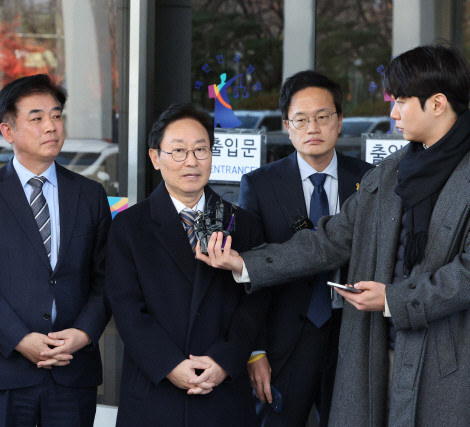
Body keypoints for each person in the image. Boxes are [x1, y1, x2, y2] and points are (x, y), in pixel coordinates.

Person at [198, 44, 470, 426]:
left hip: (448, 360)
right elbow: (330, 239)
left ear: (437, 103)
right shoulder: (393, 171)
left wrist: (393, 299)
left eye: (401, 101)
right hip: (380, 349)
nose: (392, 114)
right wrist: (246, 263)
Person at [0, 74, 111, 426]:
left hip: (72, 369)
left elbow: (105, 278)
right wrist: (20, 339)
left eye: (56, 116)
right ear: (8, 131)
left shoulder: (89, 195)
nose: (51, 126)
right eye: (36, 118)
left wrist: (84, 334)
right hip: (4, 370)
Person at [106, 103, 264, 427]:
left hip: (223, 391)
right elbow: (126, 307)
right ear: (155, 157)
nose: (191, 161)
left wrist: (224, 360)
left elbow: (256, 304)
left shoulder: (241, 223)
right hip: (155, 390)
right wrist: (168, 365)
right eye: (178, 151)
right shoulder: (130, 226)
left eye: (200, 150)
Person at [237, 70, 372, 426]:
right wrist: (254, 350)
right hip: (283, 343)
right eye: (301, 119)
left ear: (339, 121)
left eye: (323, 117)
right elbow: (250, 270)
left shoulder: (370, 180)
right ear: (287, 125)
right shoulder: (260, 184)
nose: (312, 128)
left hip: (352, 337)